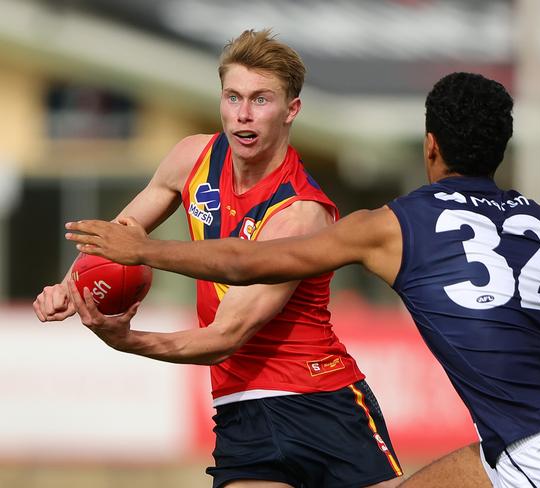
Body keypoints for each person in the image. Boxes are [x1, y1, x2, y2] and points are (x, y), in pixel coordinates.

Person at [65, 72, 540, 488]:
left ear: (430, 146)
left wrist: (145, 250)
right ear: (502, 149)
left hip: (535, 457)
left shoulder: (390, 226)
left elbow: (249, 262)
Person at [34, 29, 405, 488]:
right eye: (233, 97)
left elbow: (226, 335)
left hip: (321, 403)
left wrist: (128, 342)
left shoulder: (300, 213)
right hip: (240, 410)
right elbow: (119, 239)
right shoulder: (192, 157)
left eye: (261, 100)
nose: (242, 115)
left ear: (292, 110)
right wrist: (70, 287)